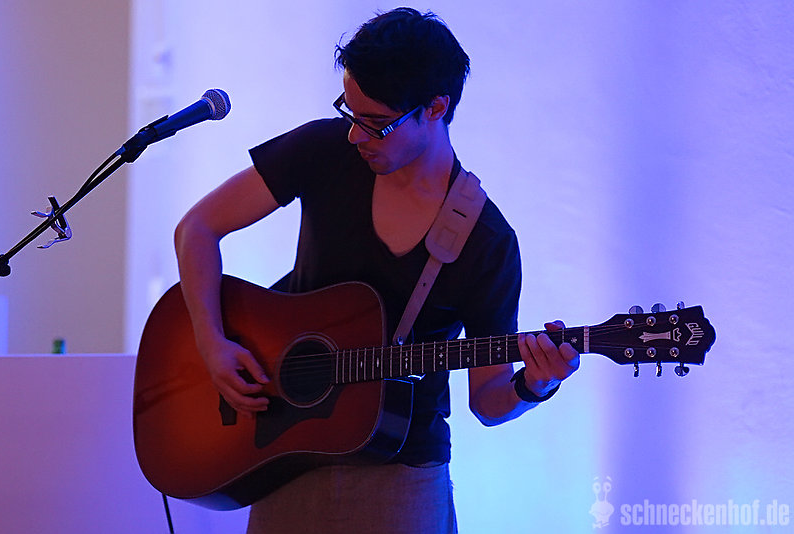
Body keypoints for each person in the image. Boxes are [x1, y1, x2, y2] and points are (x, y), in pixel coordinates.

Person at [173, 7, 579, 534]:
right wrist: (211, 342)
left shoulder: (486, 242)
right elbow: (197, 229)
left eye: (375, 123)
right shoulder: (323, 150)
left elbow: (487, 400)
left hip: (402, 476)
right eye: (349, 111)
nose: (354, 135)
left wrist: (534, 385)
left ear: (436, 108)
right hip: (287, 456)